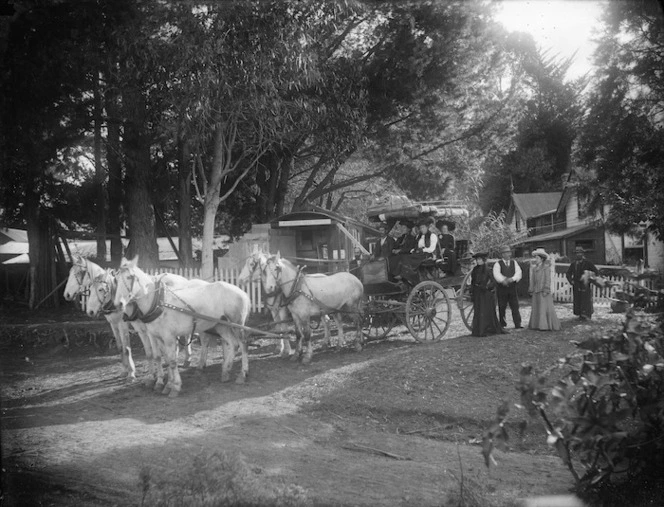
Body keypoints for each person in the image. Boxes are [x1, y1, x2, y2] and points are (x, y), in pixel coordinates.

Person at [470, 252, 507, 337]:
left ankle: (486, 329)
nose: (478, 261)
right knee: (478, 311)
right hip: (477, 293)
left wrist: (487, 287)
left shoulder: (487, 269)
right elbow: (473, 281)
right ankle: (478, 330)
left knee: (485, 311)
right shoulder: (475, 270)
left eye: (480, 259)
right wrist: (472, 291)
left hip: (485, 294)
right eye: (477, 260)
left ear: (483, 260)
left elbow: (493, 282)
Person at [528, 248, 561, 331]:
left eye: (537, 258)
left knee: (544, 308)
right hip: (536, 291)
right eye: (535, 258)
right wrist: (531, 289)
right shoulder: (534, 269)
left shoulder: (546, 268)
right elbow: (532, 280)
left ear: (542, 259)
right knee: (537, 307)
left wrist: (546, 289)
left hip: (543, 291)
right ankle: (536, 324)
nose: (536, 260)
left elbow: (548, 280)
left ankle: (545, 325)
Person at [492, 245, 523, 329]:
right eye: (506, 253)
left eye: (509, 252)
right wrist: (503, 280)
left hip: (512, 288)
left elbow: (518, 273)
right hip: (502, 288)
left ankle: (517, 323)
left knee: (515, 306)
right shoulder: (497, 264)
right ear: (502, 255)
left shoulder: (514, 263)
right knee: (502, 306)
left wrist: (512, 279)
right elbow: (496, 274)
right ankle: (502, 324)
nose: (509, 254)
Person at [566, 246, 598, 320]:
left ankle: (587, 315)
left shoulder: (588, 263)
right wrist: (571, 281)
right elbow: (568, 273)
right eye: (577, 253)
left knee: (586, 299)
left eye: (580, 253)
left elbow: (596, 272)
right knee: (578, 299)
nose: (578, 255)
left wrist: (589, 278)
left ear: (583, 254)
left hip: (585, 284)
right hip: (576, 284)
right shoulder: (574, 264)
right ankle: (580, 314)